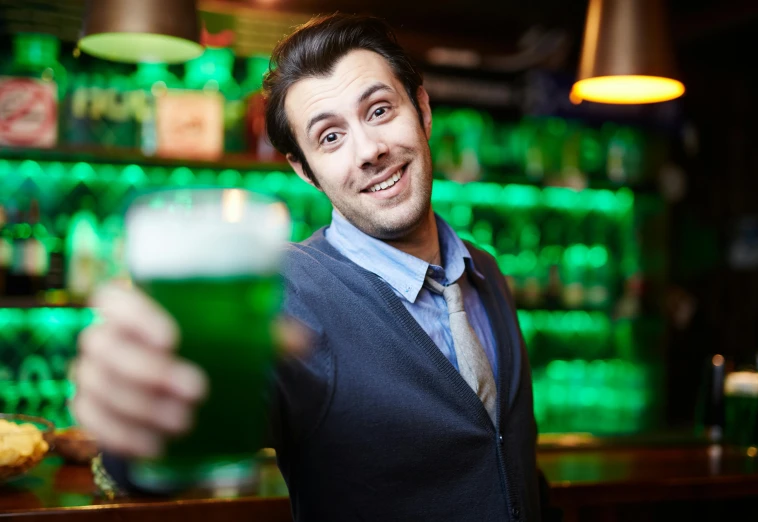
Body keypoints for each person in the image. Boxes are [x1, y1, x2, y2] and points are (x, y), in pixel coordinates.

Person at [73, 13, 558, 522]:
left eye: (379, 110)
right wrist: (144, 423)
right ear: (304, 170)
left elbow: (510, 457)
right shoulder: (283, 291)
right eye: (330, 137)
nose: (370, 150)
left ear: (423, 109)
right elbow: (209, 410)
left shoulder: (484, 270)